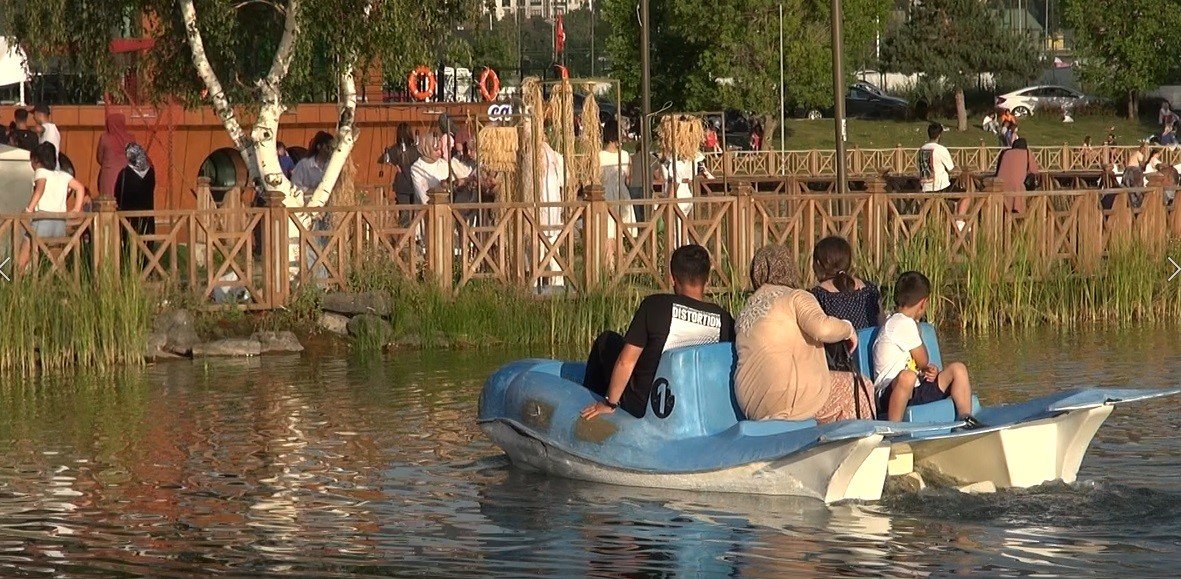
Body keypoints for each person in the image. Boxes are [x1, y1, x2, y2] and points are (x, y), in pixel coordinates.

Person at [580, 244, 736, 420]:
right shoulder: (724, 318)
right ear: (708, 280)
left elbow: (626, 361)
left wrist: (609, 403)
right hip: (693, 406)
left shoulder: (654, 305)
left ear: (672, 278)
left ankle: (587, 402)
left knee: (607, 340)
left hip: (647, 405)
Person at [734, 244, 875, 423]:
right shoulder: (795, 297)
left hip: (750, 405)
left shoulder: (745, 310)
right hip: (792, 397)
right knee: (860, 387)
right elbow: (822, 329)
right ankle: (861, 438)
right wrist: (847, 329)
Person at [872, 271, 980, 425]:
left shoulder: (901, 322)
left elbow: (921, 366)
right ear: (923, 303)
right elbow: (923, 360)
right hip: (890, 395)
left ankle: (965, 418)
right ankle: (893, 426)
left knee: (958, 369)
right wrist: (924, 366)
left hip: (916, 389)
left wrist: (928, 371)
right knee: (907, 377)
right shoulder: (902, 322)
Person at [17, 143, 86, 270]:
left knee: (26, 247)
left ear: (36, 161)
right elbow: (80, 188)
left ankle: (17, 276)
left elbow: (40, 189)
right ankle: (58, 277)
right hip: (59, 225)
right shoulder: (63, 175)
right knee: (55, 258)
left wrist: (28, 209)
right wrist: (76, 210)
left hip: (42, 222)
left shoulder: (40, 172)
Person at [809, 236, 882, 332]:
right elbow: (881, 323)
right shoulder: (869, 290)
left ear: (818, 263)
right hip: (869, 341)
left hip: (838, 341)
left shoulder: (819, 295)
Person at [599, 119, 635, 240]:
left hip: (604, 194)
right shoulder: (625, 155)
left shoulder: (599, 156)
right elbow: (629, 179)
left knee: (607, 231)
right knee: (620, 229)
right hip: (621, 192)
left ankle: (609, 252)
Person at [114, 143, 156, 237]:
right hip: (146, 220)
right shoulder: (150, 172)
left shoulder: (124, 173)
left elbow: (117, 194)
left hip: (128, 220)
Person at [994, 137, 1040, 212]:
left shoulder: (1005, 152)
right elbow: (1034, 171)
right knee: (1019, 204)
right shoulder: (1027, 153)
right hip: (1017, 188)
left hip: (999, 186)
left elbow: (998, 170)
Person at [96, 112, 136, 199]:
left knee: (108, 201)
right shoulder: (131, 138)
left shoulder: (105, 138)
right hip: (127, 176)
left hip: (109, 176)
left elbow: (99, 158)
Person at [383, 122, 419, 206]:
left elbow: (387, 159)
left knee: (404, 209)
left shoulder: (394, 149)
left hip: (402, 181)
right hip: (415, 179)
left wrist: (397, 165)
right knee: (416, 209)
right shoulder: (415, 149)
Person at [291, 131, 333, 199]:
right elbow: (295, 186)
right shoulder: (303, 164)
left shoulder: (333, 166)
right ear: (319, 147)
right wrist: (311, 190)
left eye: (333, 148)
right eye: (328, 147)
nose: (331, 151)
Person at [918, 122, 954, 194]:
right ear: (939, 135)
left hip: (925, 186)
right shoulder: (941, 149)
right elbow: (951, 168)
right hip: (940, 186)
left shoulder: (922, 149)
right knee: (967, 195)